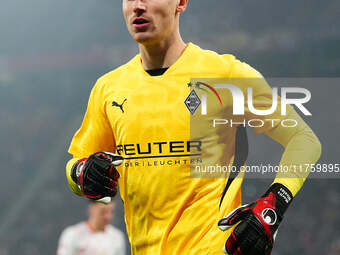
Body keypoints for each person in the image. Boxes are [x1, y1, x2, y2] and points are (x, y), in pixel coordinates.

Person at [65, 0, 322, 254]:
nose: (138, 6)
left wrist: (274, 204)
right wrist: (82, 172)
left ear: (181, 3)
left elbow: (304, 139)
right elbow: (78, 165)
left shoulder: (225, 74)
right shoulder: (108, 88)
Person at [57, 201, 126, 255]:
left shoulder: (117, 237)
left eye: (111, 212)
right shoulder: (72, 234)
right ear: (92, 209)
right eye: (103, 211)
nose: (108, 216)